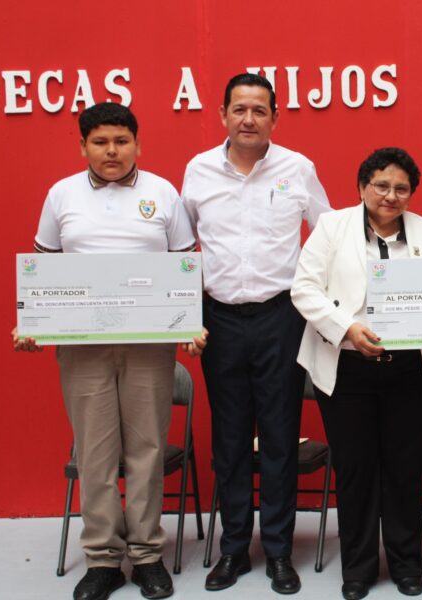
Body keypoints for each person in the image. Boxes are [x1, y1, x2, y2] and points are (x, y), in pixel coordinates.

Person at [13, 103, 196, 600]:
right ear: (83, 147)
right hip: (83, 346)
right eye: (100, 142)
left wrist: (189, 324)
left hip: (149, 344)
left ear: (137, 144)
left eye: (121, 141)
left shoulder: (162, 193)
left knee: (147, 449)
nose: (111, 151)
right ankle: (102, 560)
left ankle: (148, 555)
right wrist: (30, 322)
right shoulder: (62, 194)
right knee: (94, 453)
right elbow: (43, 268)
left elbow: (184, 267)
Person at [181, 73, 331, 594]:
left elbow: (328, 234)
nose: (248, 119)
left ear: (275, 117)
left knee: (279, 437)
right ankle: (233, 549)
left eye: (259, 110)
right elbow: (180, 249)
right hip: (219, 319)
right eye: (239, 109)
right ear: (223, 114)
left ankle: (279, 551)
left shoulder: (297, 168)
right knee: (229, 439)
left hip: (281, 318)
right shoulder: (198, 170)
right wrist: (185, 317)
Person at [291, 148, 422, 600]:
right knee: (355, 470)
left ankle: (406, 564)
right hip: (346, 368)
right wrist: (347, 328)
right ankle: (358, 569)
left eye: (401, 188)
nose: (390, 196)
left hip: (409, 370)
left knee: (404, 470)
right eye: (381, 186)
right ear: (362, 187)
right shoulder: (331, 226)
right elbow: (304, 288)